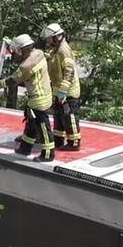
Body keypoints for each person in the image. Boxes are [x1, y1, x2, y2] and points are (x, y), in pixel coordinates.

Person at [0, 34, 54, 162]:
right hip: (43, 95)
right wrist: (12, 42)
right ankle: (25, 148)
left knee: (43, 127)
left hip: (39, 99)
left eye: (19, 51)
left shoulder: (26, 65)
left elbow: (13, 80)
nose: (18, 54)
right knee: (31, 124)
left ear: (24, 49)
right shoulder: (38, 53)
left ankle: (48, 154)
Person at [42, 22, 82, 151]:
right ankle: (58, 140)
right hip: (58, 91)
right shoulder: (57, 49)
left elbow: (68, 71)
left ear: (56, 37)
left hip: (68, 92)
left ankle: (74, 142)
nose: (47, 41)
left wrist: (63, 92)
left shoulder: (64, 50)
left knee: (70, 117)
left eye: (49, 38)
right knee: (59, 117)